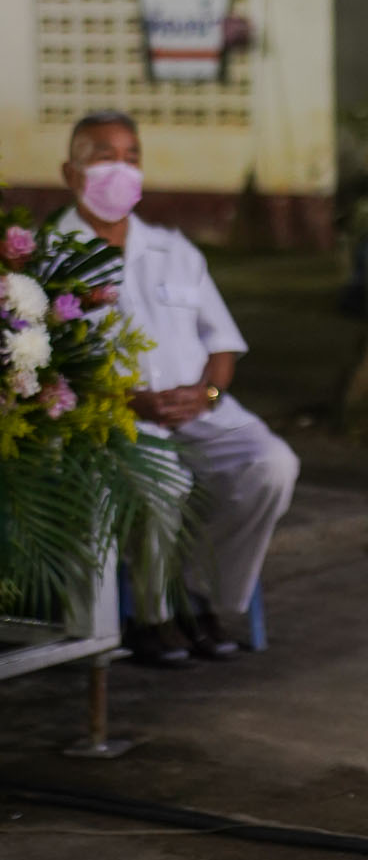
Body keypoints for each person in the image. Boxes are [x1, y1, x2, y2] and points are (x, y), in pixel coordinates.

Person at [57, 111, 300, 668]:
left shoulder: (175, 251)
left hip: (200, 410)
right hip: (115, 419)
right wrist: (129, 402)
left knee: (271, 465)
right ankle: (154, 616)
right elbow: (56, 368)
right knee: (162, 480)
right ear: (71, 173)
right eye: (104, 157)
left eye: (132, 157)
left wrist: (206, 396)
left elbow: (222, 344)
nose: (121, 169)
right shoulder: (52, 257)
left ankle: (198, 594)